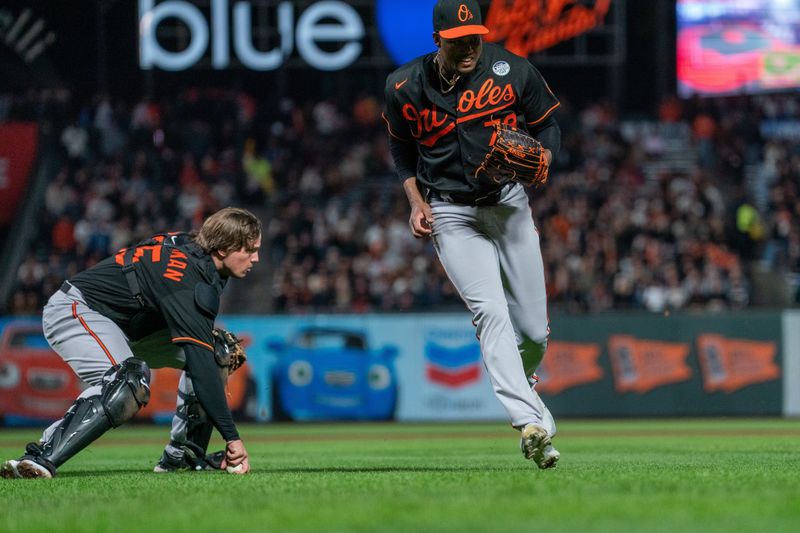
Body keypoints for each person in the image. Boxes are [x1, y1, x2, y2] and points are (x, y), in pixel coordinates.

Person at [381, 0, 561, 468]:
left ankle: (525, 387)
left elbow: (548, 125)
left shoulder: (511, 70)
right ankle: (530, 423)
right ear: (438, 40)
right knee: (490, 313)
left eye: (476, 37)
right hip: (450, 214)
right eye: (459, 40)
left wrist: (545, 157)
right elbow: (401, 150)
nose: (470, 47)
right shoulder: (402, 86)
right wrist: (415, 201)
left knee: (534, 334)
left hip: (508, 206)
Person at [1, 207, 261, 478]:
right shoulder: (186, 279)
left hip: (131, 326)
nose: (256, 258)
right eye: (249, 250)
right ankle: (39, 458)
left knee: (219, 352)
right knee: (128, 382)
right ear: (223, 249)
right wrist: (232, 438)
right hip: (79, 308)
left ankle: (182, 456)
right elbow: (200, 366)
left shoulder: (199, 254)